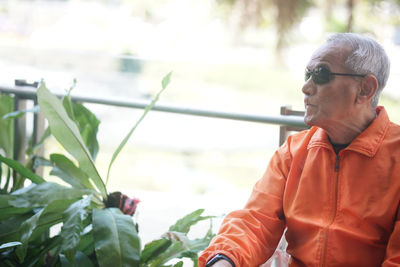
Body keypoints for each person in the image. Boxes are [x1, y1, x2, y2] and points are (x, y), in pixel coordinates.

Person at [198, 33, 400, 267]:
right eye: (307, 74)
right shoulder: (294, 153)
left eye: (321, 74)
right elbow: (256, 222)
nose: (305, 88)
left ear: (365, 89)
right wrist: (225, 259)